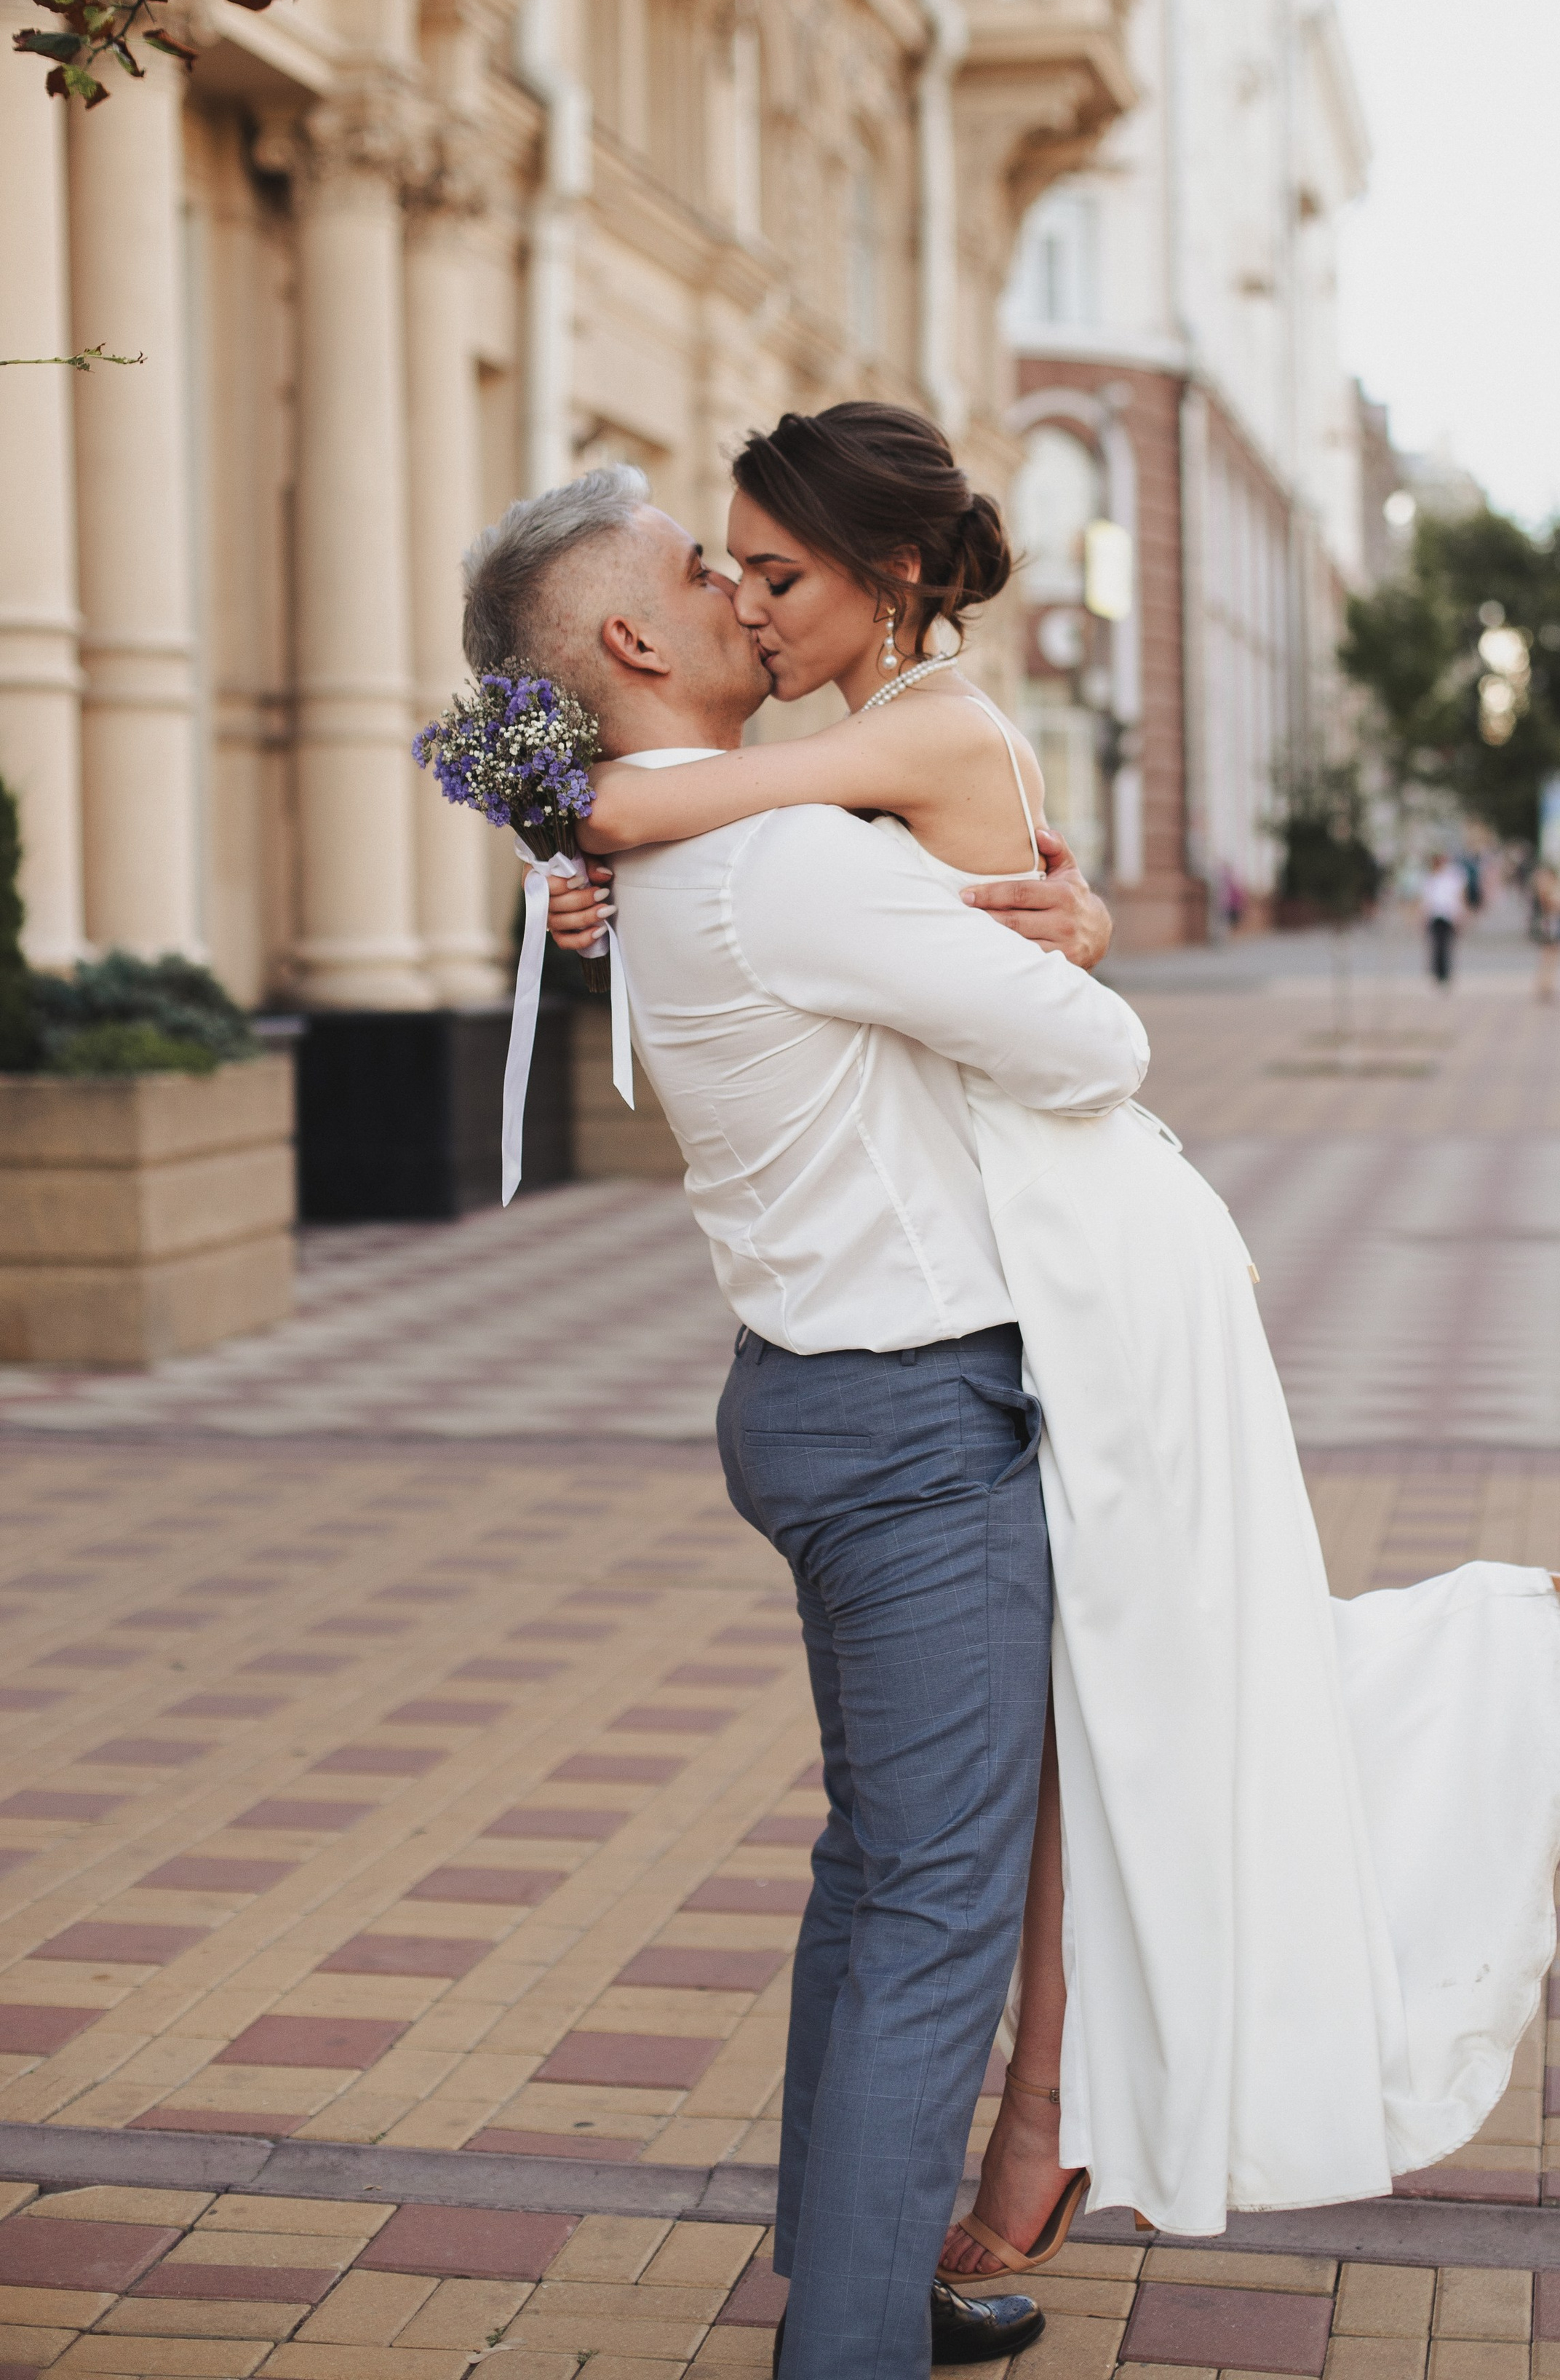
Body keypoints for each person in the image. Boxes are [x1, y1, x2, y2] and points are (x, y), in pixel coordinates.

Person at [532, 408, 1560, 2306]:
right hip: (1004, 1294)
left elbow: (720, 836)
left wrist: (581, 812)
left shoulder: (891, 743)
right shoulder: (816, 803)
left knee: (1066, 1755)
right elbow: (882, 931)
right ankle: (994, 2164)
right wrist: (603, 852)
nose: (750, 610)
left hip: (1081, 1268)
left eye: (776, 576)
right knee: (1047, 1774)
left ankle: (1004, 2153)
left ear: (895, 579)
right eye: (729, 576)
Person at [466, 439, 1131, 2380]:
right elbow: (1097, 1048)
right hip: (914, 1419)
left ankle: (862, 2272)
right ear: (626, 630)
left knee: (879, 1878)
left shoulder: (660, 851)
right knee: (934, 1908)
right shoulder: (768, 853)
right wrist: (1072, 945)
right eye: (705, 569)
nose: (743, 593)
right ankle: (850, 2338)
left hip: (813, 1395)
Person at [1420, 851, 1465, 987]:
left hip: (1448, 916)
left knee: (1446, 946)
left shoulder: (1452, 877)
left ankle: (1445, 973)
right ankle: (1437, 973)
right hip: (1435, 915)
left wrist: (1459, 915)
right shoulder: (1431, 878)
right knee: (1436, 946)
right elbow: (1427, 900)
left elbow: (1457, 897)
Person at [1528, 856, 1560, 1004]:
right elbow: (1552, 905)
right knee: (1549, 957)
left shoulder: (1539, 886)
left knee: (1548, 957)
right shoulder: (1545, 888)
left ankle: (1546, 987)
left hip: (1547, 923)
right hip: (1549, 924)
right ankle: (1546, 987)